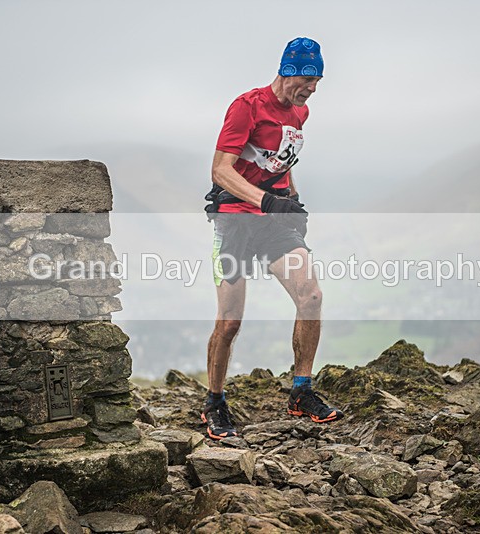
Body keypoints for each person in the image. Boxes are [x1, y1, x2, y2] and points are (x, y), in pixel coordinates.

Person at [201, 37, 343, 440]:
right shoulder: (247, 106)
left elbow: (282, 158)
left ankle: (301, 391)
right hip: (234, 220)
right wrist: (265, 201)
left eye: (318, 80)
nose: (313, 87)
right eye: (309, 78)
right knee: (229, 322)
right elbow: (220, 170)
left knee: (310, 296)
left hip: (276, 220)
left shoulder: (301, 112)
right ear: (290, 70)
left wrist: (292, 199)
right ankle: (214, 402)